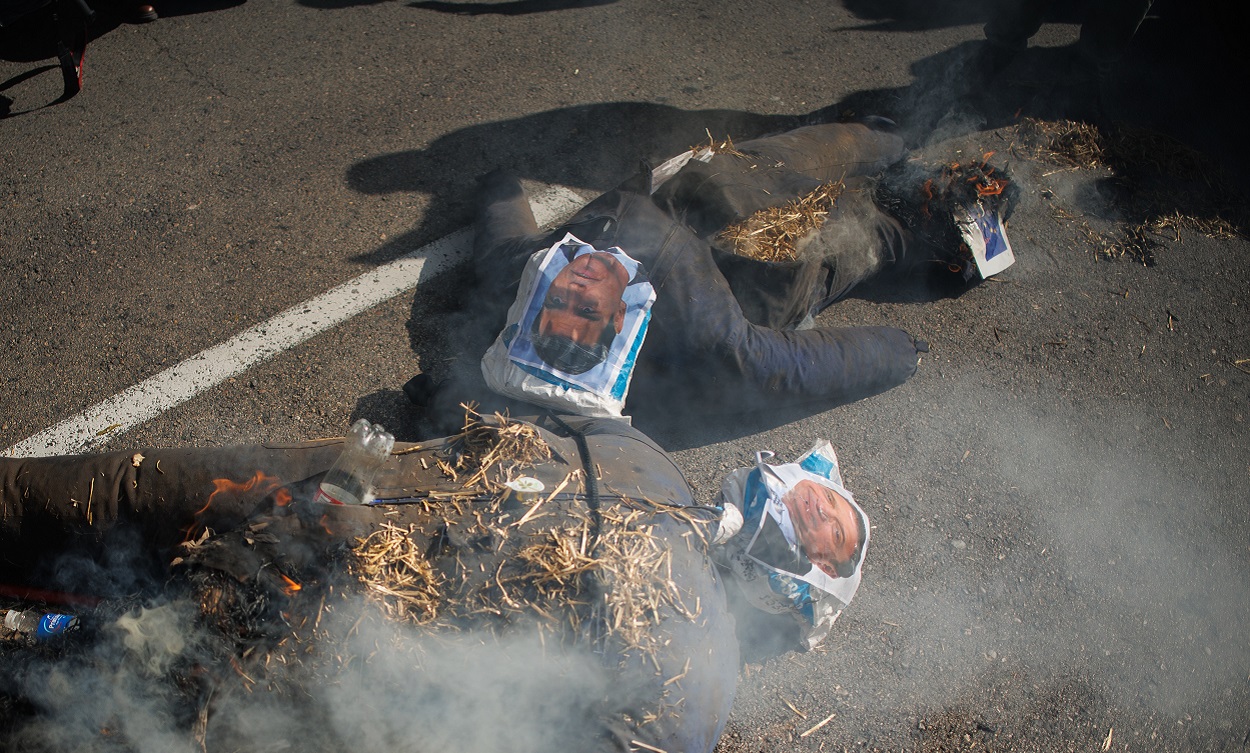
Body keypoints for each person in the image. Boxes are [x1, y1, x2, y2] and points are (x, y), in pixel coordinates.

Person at [0, 411, 738, 753]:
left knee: (115, 620)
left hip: (306, 600)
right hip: (302, 569)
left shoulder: (647, 466)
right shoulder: (698, 677)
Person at [414, 119, 963, 434]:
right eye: (587, 312)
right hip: (771, 268)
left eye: (557, 306)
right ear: (619, 322)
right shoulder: (701, 329)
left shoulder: (526, 275)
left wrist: (496, 182)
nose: (574, 289)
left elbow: (501, 240)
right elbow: (783, 367)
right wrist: (898, 352)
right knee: (865, 239)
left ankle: (892, 135)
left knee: (794, 155)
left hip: (703, 192)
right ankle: (951, 235)